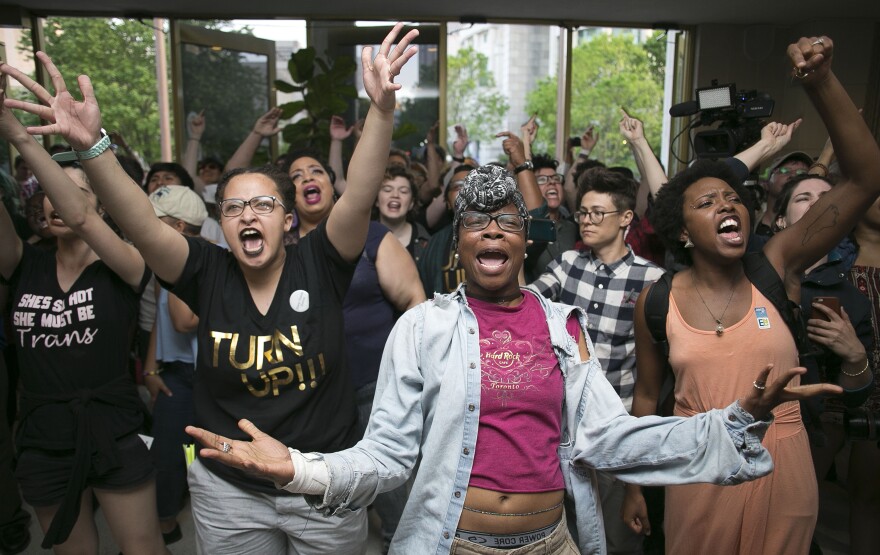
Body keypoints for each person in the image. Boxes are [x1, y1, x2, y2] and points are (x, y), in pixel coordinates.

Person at [185, 163, 839, 555]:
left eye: (507, 221)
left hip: (549, 541)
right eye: (477, 221)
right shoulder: (421, 328)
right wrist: (298, 468)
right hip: (454, 540)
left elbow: (609, 437)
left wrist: (728, 422)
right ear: (460, 243)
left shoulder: (567, 328)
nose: (492, 229)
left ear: (526, 242)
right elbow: (386, 455)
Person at [2, 24, 419, 553]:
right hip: (228, 488)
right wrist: (92, 148)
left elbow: (358, 195)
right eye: (233, 207)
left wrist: (381, 110)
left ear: (289, 221)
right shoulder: (207, 270)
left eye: (264, 204)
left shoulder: (321, 261)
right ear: (219, 224)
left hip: (320, 479)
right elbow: (145, 225)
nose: (248, 214)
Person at [622, 36, 880, 555]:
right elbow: (647, 402)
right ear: (684, 233)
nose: (727, 204)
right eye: (707, 201)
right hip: (697, 459)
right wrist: (633, 487)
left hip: (782, 454)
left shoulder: (776, 264)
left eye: (734, 197)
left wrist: (821, 82)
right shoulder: (655, 301)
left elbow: (867, 177)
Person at [0, 71, 165, 553]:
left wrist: (21, 140)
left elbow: (80, 217)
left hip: (112, 428)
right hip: (43, 433)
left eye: (77, 191)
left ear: (99, 209)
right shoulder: (23, 263)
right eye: (51, 191)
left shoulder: (125, 264)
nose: (59, 202)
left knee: (143, 548)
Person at [771, 174, 878, 554]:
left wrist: (855, 356)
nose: (818, 204)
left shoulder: (850, 298)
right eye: (804, 197)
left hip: (801, 436)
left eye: (828, 197)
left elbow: (855, 395)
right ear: (779, 219)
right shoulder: (749, 267)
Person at [142, 185, 208, 545]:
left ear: (180, 227)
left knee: (211, 456)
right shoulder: (160, 263)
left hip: (211, 376)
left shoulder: (208, 259)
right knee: (166, 454)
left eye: (157, 222)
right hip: (175, 374)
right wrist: (150, 370)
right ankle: (165, 522)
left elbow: (183, 321)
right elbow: (161, 321)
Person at [375, 164, 431, 263]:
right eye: (387, 190)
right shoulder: (362, 238)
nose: (395, 195)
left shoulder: (426, 241)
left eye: (403, 191)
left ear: (411, 203)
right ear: (376, 201)